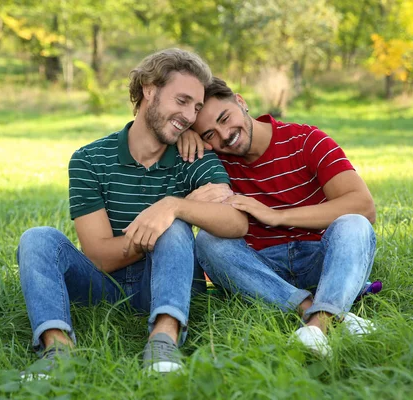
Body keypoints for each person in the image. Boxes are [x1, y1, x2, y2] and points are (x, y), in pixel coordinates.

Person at [17, 51, 248, 375]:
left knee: (176, 225)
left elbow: (236, 222)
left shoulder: (196, 156)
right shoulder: (89, 159)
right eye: (181, 101)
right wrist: (150, 227)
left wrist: (175, 207)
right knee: (38, 239)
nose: (188, 116)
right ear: (149, 89)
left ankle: (163, 341)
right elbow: (99, 256)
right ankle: (57, 349)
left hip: (170, 280)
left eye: (195, 108)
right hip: (104, 286)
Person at [178, 77, 377, 357]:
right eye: (209, 134)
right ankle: (321, 314)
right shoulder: (215, 162)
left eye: (225, 118)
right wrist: (180, 137)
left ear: (240, 101)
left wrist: (277, 216)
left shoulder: (307, 139)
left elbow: (364, 206)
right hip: (262, 269)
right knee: (209, 242)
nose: (224, 135)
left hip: (322, 258)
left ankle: (318, 327)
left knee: (354, 223)